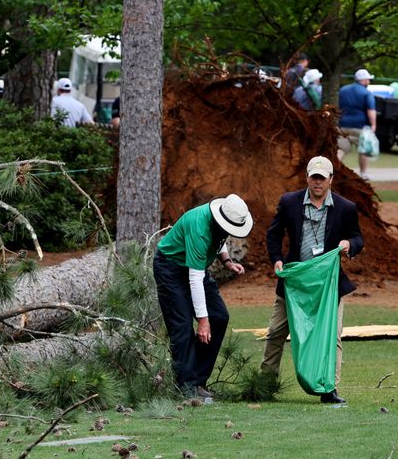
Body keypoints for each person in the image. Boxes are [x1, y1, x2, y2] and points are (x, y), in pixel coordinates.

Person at [261, 156, 364, 404]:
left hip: (328, 284)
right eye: (314, 177)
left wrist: (349, 244)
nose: (318, 182)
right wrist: (276, 259)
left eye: (322, 178)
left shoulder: (345, 207)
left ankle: (329, 388)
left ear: (331, 179)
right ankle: (265, 384)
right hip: (295, 281)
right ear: (307, 177)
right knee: (276, 331)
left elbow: (358, 238)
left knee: (333, 335)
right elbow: (273, 234)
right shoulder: (289, 202)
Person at [154, 194, 253, 399]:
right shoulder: (199, 229)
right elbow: (195, 280)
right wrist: (202, 321)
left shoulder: (222, 221)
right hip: (171, 269)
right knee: (182, 326)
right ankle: (186, 387)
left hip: (194, 269)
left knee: (220, 316)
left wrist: (226, 261)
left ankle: (198, 380)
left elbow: (220, 239)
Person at [338, 68, 377, 180]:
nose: (369, 82)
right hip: (360, 126)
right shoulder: (366, 93)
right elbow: (371, 111)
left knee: (341, 149)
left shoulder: (343, 90)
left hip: (343, 125)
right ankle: (363, 173)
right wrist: (373, 125)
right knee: (363, 150)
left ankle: (332, 171)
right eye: (368, 79)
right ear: (363, 80)